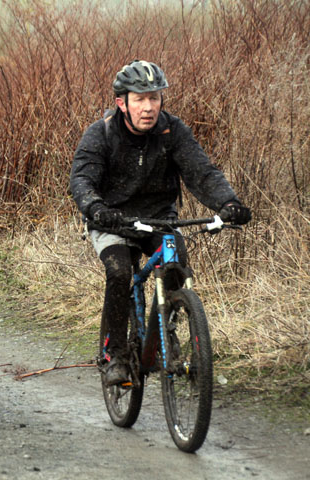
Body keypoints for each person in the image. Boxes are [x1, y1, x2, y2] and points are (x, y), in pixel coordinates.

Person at [70, 60, 251, 385]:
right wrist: (96, 208)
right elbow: (82, 179)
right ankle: (117, 355)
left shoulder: (172, 131)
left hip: (158, 220)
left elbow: (202, 172)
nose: (148, 107)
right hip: (112, 220)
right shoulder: (102, 133)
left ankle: (166, 334)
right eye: (139, 99)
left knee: (176, 262)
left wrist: (228, 202)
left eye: (154, 98)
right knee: (120, 272)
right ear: (121, 102)